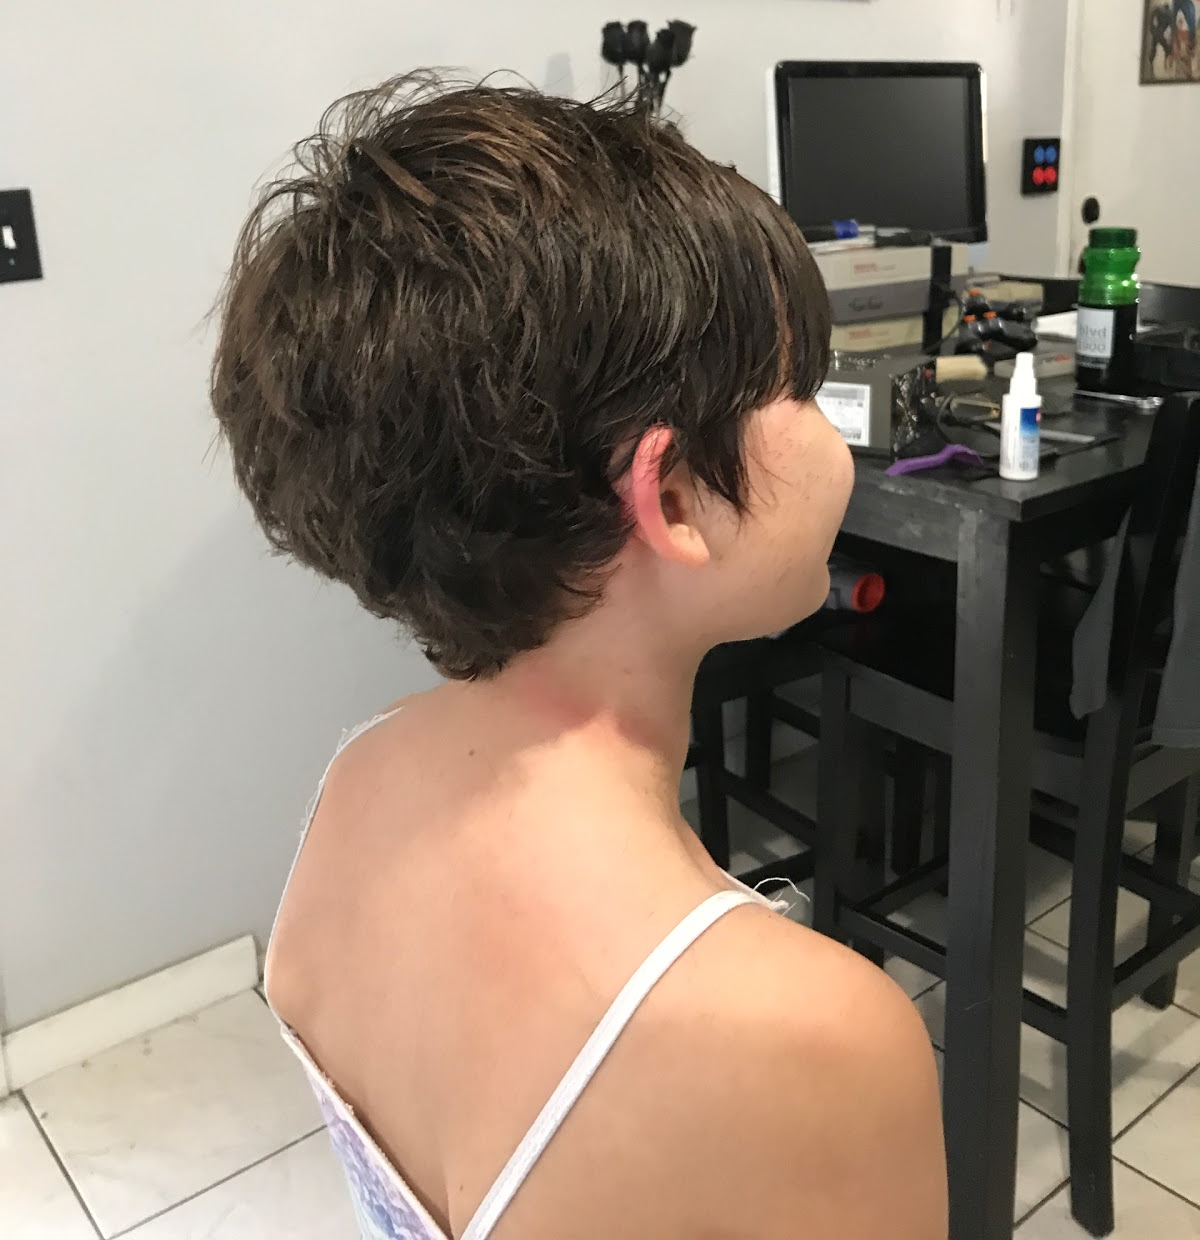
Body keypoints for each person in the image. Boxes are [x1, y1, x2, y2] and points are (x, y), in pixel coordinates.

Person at [212, 77, 947, 1240]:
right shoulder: (812, 1035)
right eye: (803, 387)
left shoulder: (359, 778)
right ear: (675, 495)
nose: (832, 428)